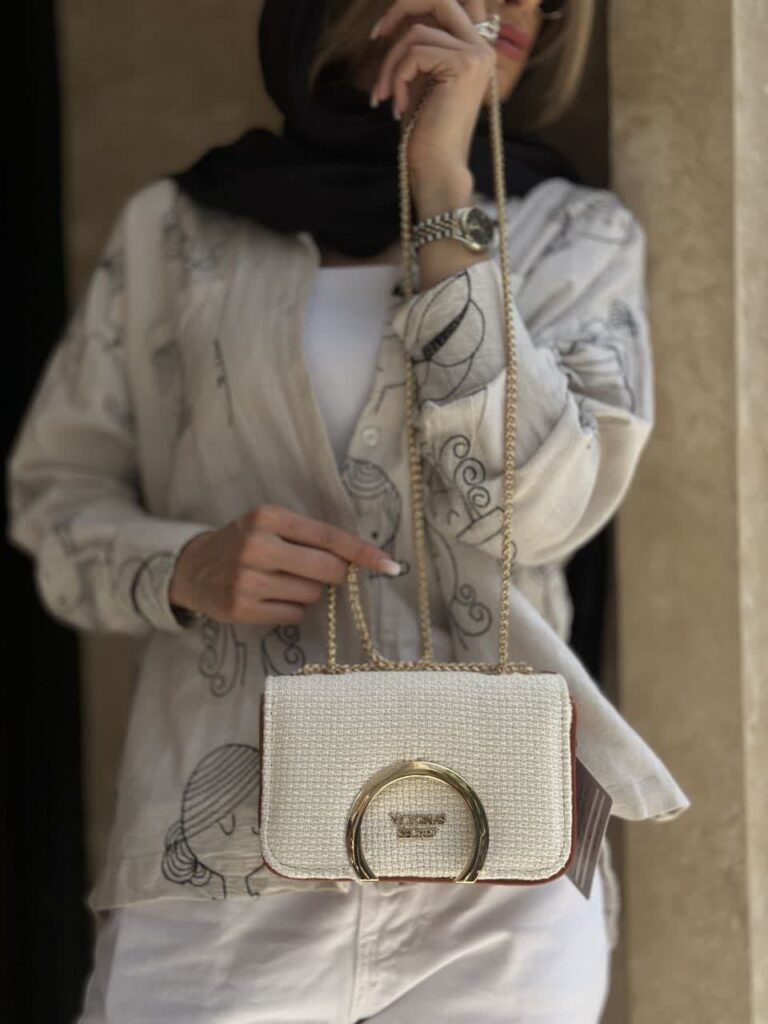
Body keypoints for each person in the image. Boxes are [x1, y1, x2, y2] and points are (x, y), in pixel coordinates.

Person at [7, 0, 690, 1020]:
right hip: (223, 852)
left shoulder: (573, 234)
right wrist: (183, 566)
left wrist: (443, 185)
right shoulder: (179, 230)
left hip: (501, 854)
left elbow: (537, 512)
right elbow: (55, 500)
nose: (516, 7)